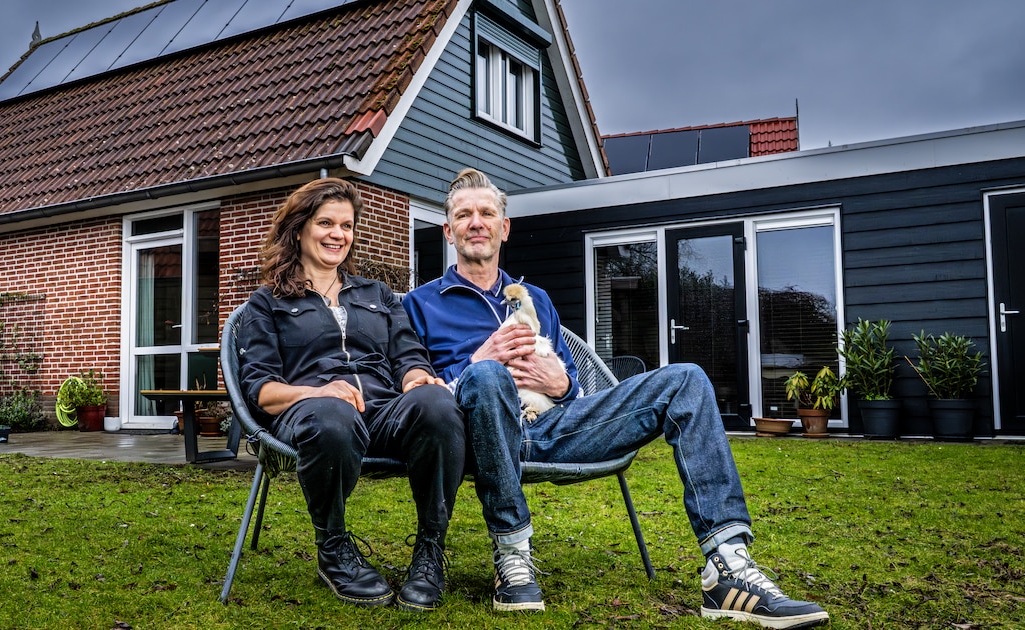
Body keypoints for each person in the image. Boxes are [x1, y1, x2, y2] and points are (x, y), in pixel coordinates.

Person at [402, 168, 829, 628]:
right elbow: (418, 401)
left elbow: (577, 389)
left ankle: (728, 568)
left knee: (685, 378)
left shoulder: (538, 299)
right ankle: (512, 555)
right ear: (448, 231)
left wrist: (561, 384)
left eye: (487, 213)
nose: (476, 223)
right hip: (477, 438)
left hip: (551, 429)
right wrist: (479, 361)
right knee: (486, 375)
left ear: (505, 227)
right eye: (464, 215)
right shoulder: (420, 304)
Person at [235, 178, 465, 611]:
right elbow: (261, 392)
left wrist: (416, 376)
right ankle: (334, 548)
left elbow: (407, 352)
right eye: (325, 222)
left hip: (381, 411)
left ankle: (429, 553)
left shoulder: (375, 293)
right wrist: (318, 391)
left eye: (346, 225)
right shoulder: (267, 303)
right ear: (299, 229)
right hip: (311, 416)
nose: (337, 234)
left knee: (437, 401)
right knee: (331, 412)